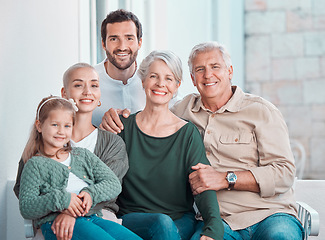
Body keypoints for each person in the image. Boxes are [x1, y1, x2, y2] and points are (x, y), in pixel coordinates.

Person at [101, 42, 304, 240]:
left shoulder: (261, 111)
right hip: (223, 221)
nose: (208, 75)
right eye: (200, 69)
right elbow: (154, 113)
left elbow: (285, 172)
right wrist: (115, 116)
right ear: (192, 78)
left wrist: (226, 178)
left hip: (270, 214)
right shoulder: (183, 111)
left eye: (215, 67)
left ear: (230, 71)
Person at [14, 63, 141, 240]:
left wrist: (75, 207)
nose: (87, 91)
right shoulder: (38, 152)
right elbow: (25, 195)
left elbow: (110, 187)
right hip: (54, 220)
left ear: (100, 95)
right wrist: (61, 205)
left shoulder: (87, 153)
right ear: (64, 93)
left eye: (94, 85)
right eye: (78, 85)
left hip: (97, 214)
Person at [111, 50, 224, 240]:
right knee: (160, 223)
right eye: (153, 76)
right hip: (132, 220)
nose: (160, 84)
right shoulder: (123, 128)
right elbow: (105, 178)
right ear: (143, 81)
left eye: (168, 78)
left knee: (165, 225)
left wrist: (214, 226)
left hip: (179, 220)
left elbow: (202, 183)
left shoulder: (187, 133)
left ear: (177, 85)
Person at [92, 9, 146, 127]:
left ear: (140, 42)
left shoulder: (154, 80)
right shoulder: (88, 81)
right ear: (103, 44)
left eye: (129, 38)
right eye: (114, 39)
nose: (122, 47)